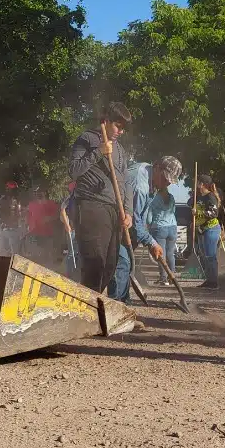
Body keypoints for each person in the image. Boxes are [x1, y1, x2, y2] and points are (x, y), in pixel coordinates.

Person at [69, 102, 134, 295]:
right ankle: (88, 312)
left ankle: (94, 304)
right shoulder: (86, 139)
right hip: (91, 207)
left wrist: (128, 211)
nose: (121, 132)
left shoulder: (120, 150)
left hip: (114, 211)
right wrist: (98, 152)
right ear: (105, 121)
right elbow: (74, 171)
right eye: (118, 126)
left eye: (123, 128)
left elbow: (126, 183)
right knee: (94, 265)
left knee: (110, 265)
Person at [108, 157, 179, 301]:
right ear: (157, 168)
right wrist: (151, 242)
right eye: (165, 179)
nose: (167, 184)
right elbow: (134, 219)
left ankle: (123, 303)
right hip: (116, 223)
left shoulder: (147, 169)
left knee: (126, 264)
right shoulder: (140, 187)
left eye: (170, 181)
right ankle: (117, 306)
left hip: (126, 224)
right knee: (122, 263)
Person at [144, 157, 185, 285]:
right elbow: (173, 211)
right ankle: (172, 277)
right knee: (170, 254)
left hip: (159, 227)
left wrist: (147, 226)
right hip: (172, 227)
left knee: (160, 254)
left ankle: (163, 279)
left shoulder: (155, 198)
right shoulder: (172, 198)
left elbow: (149, 216)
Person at [192, 175, 224, 289]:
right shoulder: (199, 196)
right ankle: (209, 279)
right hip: (201, 230)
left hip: (211, 229)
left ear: (202, 184)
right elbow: (189, 203)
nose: (196, 184)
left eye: (197, 182)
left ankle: (214, 282)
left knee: (211, 256)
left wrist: (199, 213)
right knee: (204, 256)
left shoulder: (210, 197)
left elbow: (214, 213)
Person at [25, 188, 61, 267]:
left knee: (48, 254)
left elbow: (58, 215)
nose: (37, 194)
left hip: (48, 233)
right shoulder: (31, 204)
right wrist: (27, 225)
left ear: (45, 193)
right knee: (36, 255)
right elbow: (27, 215)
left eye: (39, 192)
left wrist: (49, 218)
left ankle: (48, 271)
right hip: (34, 233)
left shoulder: (51, 203)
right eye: (36, 192)